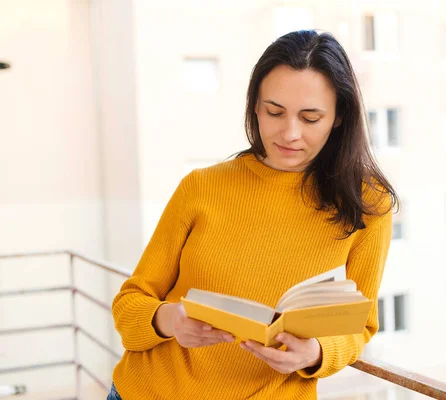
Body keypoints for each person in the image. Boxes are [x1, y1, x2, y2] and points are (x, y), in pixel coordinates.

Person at [108, 29, 398, 400]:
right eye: (274, 112)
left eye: (310, 118)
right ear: (255, 107)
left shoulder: (368, 204)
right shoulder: (201, 187)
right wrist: (170, 321)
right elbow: (130, 304)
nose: (289, 133)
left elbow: (362, 327)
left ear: (339, 116)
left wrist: (316, 353)